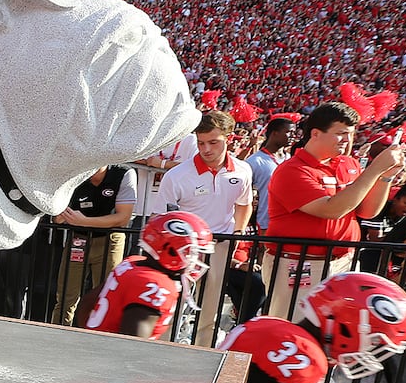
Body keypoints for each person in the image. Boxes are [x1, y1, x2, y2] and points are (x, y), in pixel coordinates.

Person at [265, 101, 406, 319]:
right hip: (299, 262)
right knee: (293, 325)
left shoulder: (349, 164)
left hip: (343, 261)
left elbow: (367, 211)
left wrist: (385, 176)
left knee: (337, 327)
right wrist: (375, 168)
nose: (348, 140)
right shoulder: (292, 170)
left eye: (351, 134)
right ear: (315, 134)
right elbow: (332, 209)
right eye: (341, 134)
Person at [218, 271, 406, 383]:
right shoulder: (303, 355)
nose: (372, 350)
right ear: (350, 327)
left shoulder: (277, 326)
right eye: (374, 341)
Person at [151, 109, 259, 343]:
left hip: (221, 247)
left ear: (229, 139)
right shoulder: (177, 175)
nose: (206, 149)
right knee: (172, 305)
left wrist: (238, 233)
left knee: (211, 307)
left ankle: (204, 352)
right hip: (182, 249)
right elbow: (159, 217)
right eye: (201, 143)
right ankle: (162, 350)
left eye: (213, 142)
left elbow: (244, 204)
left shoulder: (243, 170)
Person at [78, 211, 213, 340]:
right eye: (192, 253)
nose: (196, 260)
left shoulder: (132, 263)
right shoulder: (155, 285)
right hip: (110, 354)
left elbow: (86, 303)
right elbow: (133, 344)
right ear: (170, 250)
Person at [50, 164, 136, 326]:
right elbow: (57, 217)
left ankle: (100, 336)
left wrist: (84, 221)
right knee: (66, 296)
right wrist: (63, 213)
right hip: (78, 239)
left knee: (106, 296)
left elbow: (123, 218)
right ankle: (57, 334)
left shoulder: (124, 173)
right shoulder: (74, 171)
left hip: (110, 240)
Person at [245, 115, 296, 232]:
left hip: (290, 221)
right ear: (274, 133)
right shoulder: (255, 161)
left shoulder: (291, 159)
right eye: (289, 132)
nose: (293, 136)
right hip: (266, 223)